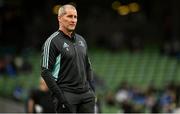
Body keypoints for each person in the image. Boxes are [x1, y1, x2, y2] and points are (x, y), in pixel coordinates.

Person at [41, 4, 96, 113]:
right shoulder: (52, 41)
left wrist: (92, 91)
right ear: (60, 18)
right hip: (67, 95)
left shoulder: (81, 40)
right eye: (69, 16)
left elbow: (88, 66)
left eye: (75, 17)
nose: (73, 20)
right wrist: (61, 97)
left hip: (86, 95)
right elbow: (45, 71)